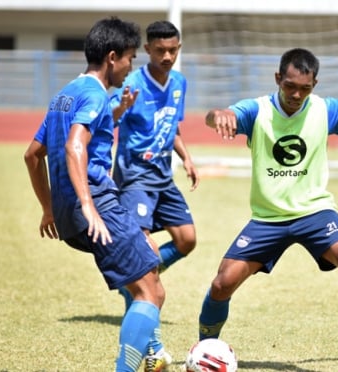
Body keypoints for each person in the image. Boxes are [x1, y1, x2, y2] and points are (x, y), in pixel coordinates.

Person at [198, 48, 338, 343]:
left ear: (314, 85)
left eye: (304, 88)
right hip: (269, 218)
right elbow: (213, 118)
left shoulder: (324, 109)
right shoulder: (256, 110)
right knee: (222, 284)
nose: (295, 94)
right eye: (289, 86)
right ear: (278, 78)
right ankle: (204, 349)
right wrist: (221, 114)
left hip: (315, 212)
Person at [23, 17, 165, 372]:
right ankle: (129, 367)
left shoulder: (65, 94)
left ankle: (152, 354)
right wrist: (89, 205)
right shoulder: (94, 94)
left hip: (68, 211)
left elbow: (32, 154)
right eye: (131, 58)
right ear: (112, 57)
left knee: (149, 262)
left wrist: (49, 207)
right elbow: (74, 147)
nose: (131, 68)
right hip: (96, 203)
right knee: (152, 292)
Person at [109, 19, 196, 370]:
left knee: (188, 240)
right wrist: (121, 109)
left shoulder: (179, 82)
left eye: (173, 50)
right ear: (147, 50)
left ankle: (136, 280)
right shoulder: (130, 82)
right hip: (135, 179)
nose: (167, 56)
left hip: (164, 176)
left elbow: (171, 125)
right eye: (160, 50)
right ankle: (153, 346)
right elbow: (108, 119)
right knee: (144, 255)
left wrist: (187, 157)